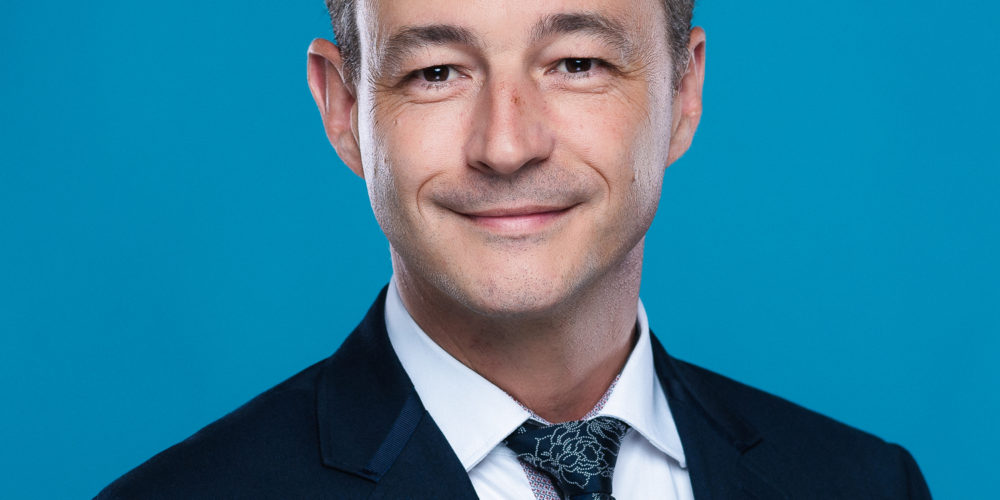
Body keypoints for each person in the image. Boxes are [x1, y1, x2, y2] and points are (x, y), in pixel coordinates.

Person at [98, 0, 932, 498]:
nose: (506, 145)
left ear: (684, 92)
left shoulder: (865, 485)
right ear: (343, 110)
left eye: (577, 63)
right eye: (436, 73)